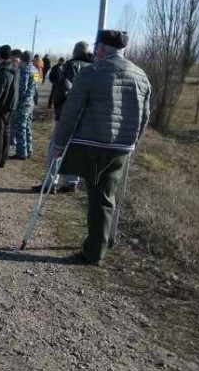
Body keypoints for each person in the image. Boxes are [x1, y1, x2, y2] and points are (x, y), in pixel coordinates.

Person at [53, 30, 151, 265]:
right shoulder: (141, 75)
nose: (95, 51)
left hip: (95, 143)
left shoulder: (92, 72)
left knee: (99, 198)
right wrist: (134, 142)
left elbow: (71, 111)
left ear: (103, 49)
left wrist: (59, 143)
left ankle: (94, 251)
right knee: (108, 195)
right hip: (122, 147)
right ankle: (104, 240)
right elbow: (145, 116)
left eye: (98, 48)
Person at [36, 42, 93, 193]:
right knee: (75, 148)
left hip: (68, 114)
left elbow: (64, 89)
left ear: (75, 52)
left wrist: (58, 105)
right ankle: (72, 182)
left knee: (56, 146)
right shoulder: (95, 67)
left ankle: (50, 183)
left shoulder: (71, 65)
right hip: (86, 116)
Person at [11, 51, 38, 160]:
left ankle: (22, 152)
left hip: (23, 102)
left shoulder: (23, 70)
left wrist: (16, 100)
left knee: (20, 127)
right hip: (31, 101)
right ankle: (29, 149)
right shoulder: (35, 70)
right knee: (27, 126)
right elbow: (36, 87)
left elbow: (22, 88)